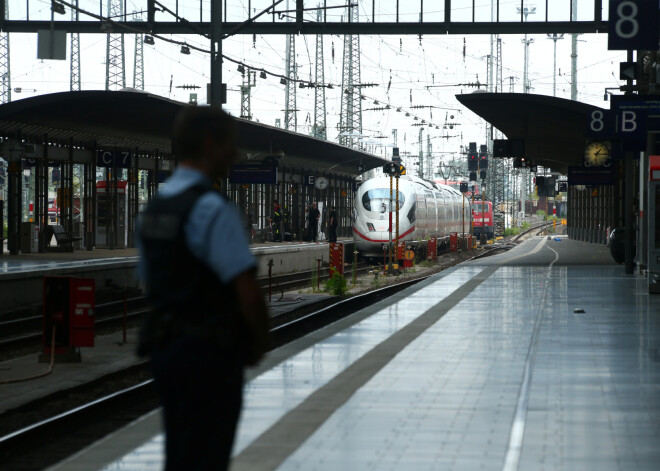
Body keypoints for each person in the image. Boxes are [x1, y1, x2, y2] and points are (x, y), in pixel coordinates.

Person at [137, 106, 269, 471]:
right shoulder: (212, 209)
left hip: (165, 350)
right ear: (211, 146)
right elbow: (247, 290)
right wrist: (258, 342)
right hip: (210, 353)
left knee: (179, 451)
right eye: (231, 145)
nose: (236, 155)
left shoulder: (154, 210)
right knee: (208, 455)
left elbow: (149, 280)